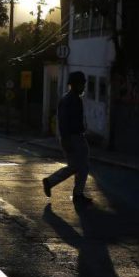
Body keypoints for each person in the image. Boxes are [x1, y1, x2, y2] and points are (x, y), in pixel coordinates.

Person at [42, 71, 92, 206]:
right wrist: (66, 139)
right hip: (72, 138)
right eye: (82, 84)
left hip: (77, 137)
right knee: (79, 166)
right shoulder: (69, 100)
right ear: (75, 84)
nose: (84, 86)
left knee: (81, 166)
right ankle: (73, 192)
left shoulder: (74, 99)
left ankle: (75, 192)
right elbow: (63, 122)